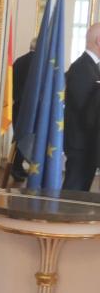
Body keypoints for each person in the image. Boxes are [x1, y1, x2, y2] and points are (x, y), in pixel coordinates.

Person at [63, 23, 100, 191]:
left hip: (87, 144)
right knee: (73, 195)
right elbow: (87, 113)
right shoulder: (82, 68)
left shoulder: (92, 67)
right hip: (80, 146)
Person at [9, 38, 35, 181]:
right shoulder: (39, 63)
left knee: (19, 136)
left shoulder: (19, 61)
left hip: (17, 105)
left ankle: (17, 166)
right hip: (31, 107)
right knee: (27, 137)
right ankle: (17, 167)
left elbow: (11, 82)